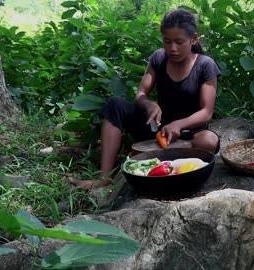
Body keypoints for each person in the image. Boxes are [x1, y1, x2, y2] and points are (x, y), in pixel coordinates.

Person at [68, 8, 221, 189]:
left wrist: (178, 125)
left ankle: (162, 156)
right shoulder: (158, 58)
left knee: (209, 141)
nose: (172, 48)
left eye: (179, 42)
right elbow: (141, 94)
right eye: (167, 41)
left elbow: (206, 112)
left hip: (189, 134)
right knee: (114, 104)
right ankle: (105, 178)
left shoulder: (205, 65)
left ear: (193, 39)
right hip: (157, 130)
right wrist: (149, 105)